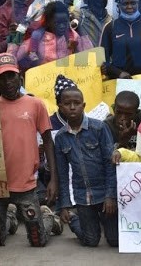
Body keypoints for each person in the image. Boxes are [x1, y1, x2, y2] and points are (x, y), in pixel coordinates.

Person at [0, 53, 58, 247]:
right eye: (1, 78)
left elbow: (48, 141)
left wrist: (53, 178)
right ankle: (10, 217)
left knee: (37, 240)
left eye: (11, 76)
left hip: (26, 183)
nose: (7, 82)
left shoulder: (35, 104)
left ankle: (49, 220)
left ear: (20, 77)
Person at [53, 76, 118, 247]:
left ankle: (106, 224)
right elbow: (62, 174)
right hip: (82, 196)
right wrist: (65, 206)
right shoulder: (60, 137)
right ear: (60, 107)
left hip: (104, 193)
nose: (72, 107)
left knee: (114, 240)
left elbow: (110, 164)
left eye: (77, 103)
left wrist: (111, 196)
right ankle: (76, 220)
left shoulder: (99, 128)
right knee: (91, 241)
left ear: (84, 105)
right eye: (67, 104)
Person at [15, 1, 92, 70]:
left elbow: (89, 56)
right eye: (57, 23)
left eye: (65, 22)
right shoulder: (37, 37)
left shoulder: (72, 35)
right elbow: (17, 59)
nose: (62, 26)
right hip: (43, 80)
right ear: (48, 22)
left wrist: (80, 30)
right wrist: (32, 61)